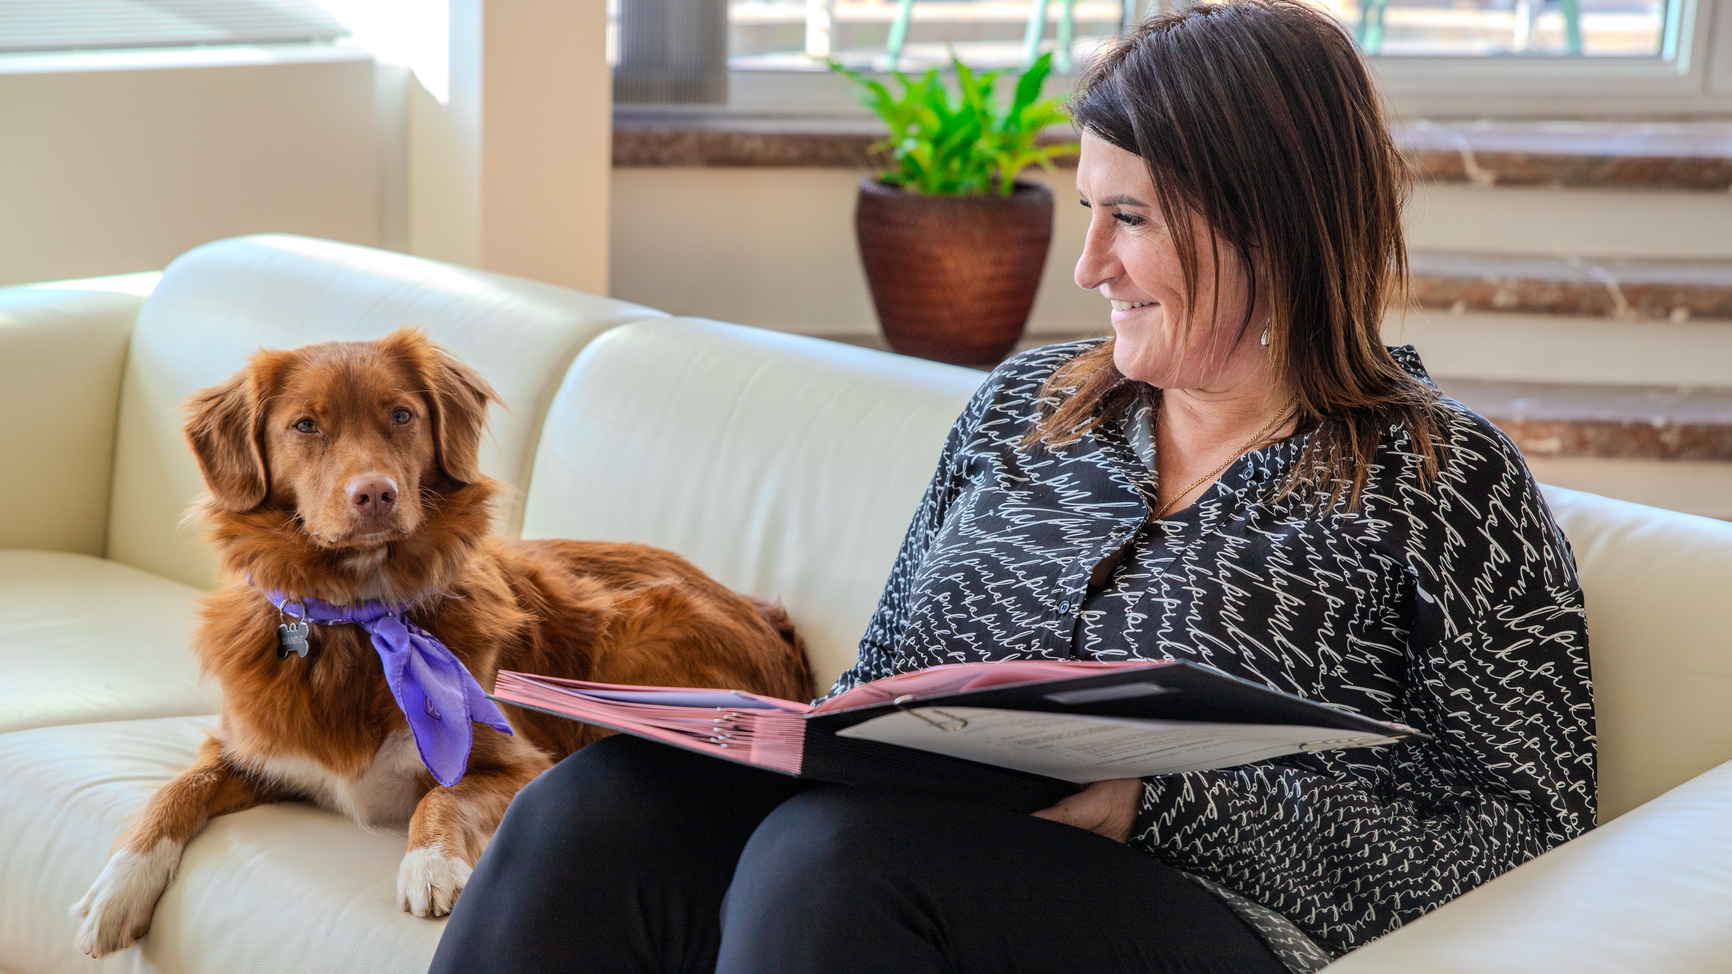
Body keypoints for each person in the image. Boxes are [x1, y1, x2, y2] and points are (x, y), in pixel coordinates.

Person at [427, 1, 1595, 971]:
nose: (1087, 265)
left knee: (830, 863)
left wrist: (1160, 804)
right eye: (1089, 211)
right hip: (907, 849)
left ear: (1269, 225)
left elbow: (1528, 831)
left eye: (1128, 219)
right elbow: (881, 680)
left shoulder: (1444, 478)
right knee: (595, 806)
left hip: (1205, 911)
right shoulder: (1026, 405)